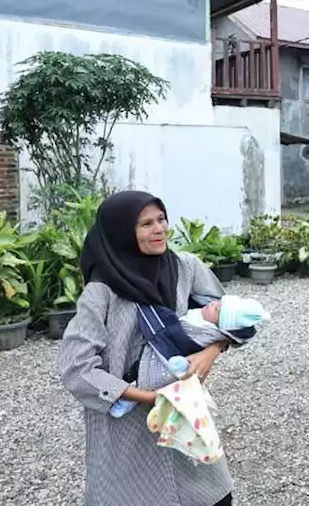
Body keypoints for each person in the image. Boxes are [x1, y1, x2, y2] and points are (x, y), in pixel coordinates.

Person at [58, 190, 236, 506]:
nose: (159, 229)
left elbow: (231, 316)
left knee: (209, 493)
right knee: (135, 493)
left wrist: (212, 350)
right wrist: (148, 398)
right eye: (145, 224)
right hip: (128, 421)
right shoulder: (100, 293)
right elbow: (77, 368)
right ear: (121, 233)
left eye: (161, 219)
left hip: (185, 412)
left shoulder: (185, 267)